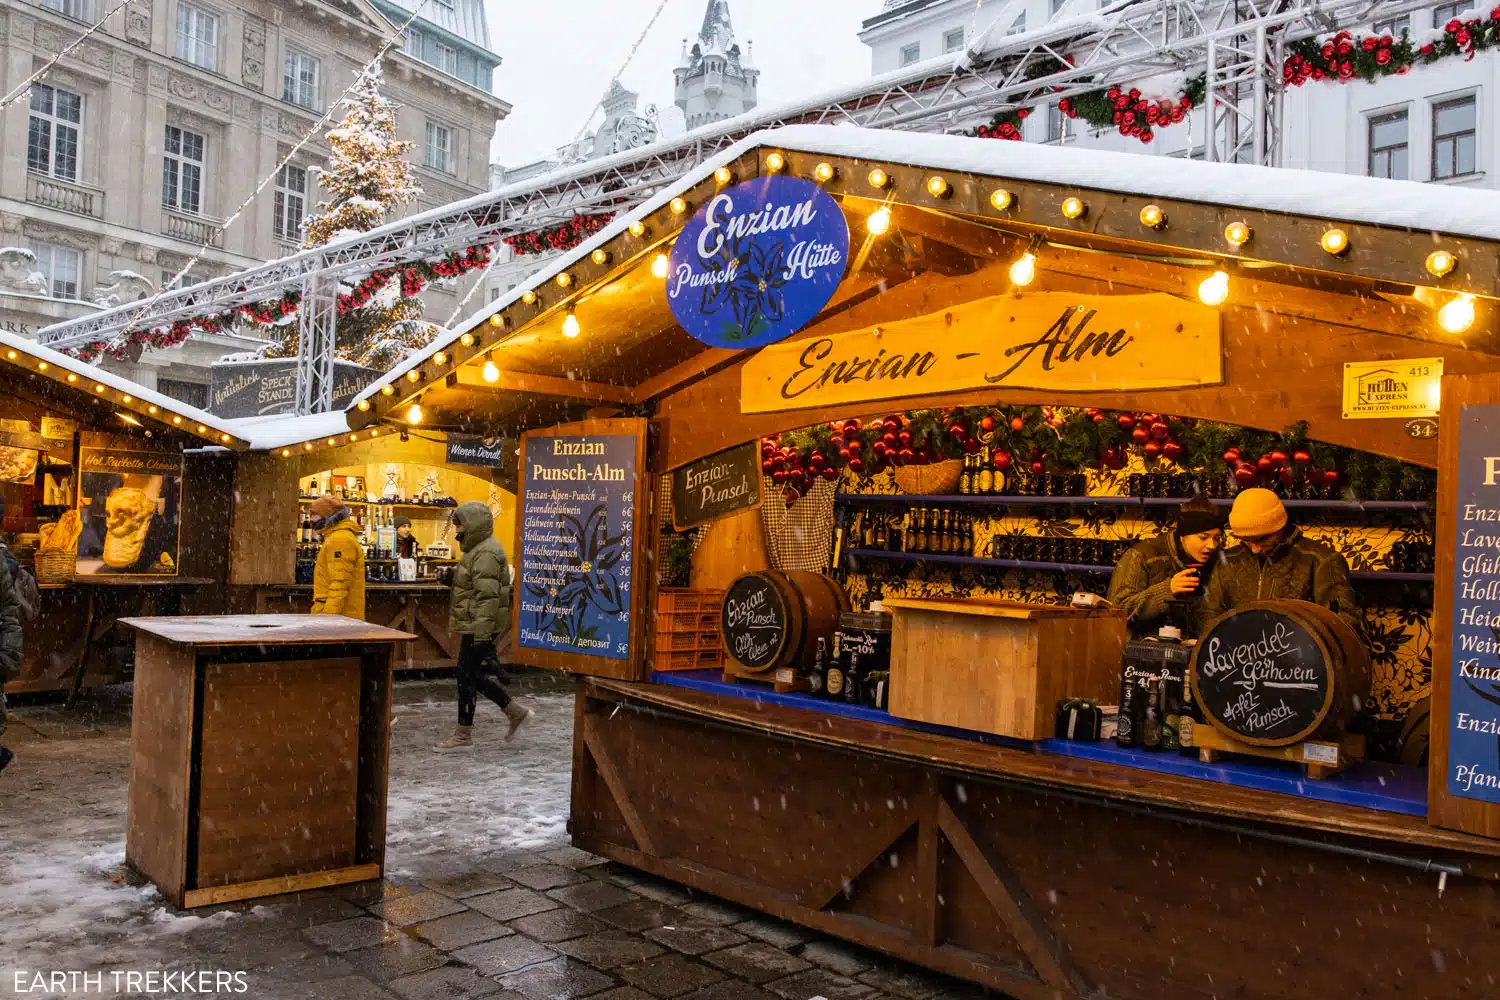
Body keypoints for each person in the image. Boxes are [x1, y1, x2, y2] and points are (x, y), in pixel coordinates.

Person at [434, 501, 532, 752]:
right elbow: (475, 582)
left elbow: (487, 597)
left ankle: (464, 734)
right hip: (476, 623)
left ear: (473, 524)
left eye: (459, 524)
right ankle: (513, 711)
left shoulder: (486, 551)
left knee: (466, 676)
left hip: (479, 624)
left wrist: (482, 635)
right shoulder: (478, 549)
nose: (457, 529)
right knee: (470, 675)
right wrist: (452, 577)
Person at [1197, 487, 1360, 635]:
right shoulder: (1227, 561)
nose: (1255, 548)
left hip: (1299, 663)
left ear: (1279, 526)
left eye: (1261, 539)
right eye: (1246, 539)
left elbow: (1342, 626)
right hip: (1236, 661)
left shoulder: (1322, 561)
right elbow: (1209, 616)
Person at [1107, 494, 1225, 636]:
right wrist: (1168, 589)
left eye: (1217, 538)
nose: (1212, 545)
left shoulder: (1217, 561)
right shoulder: (1141, 555)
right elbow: (1116, 612)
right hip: (1140, 652)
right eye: (1203, 537)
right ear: (1183, 535)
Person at [308, 495, 365, 619]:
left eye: (314, 514)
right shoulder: (336, 536)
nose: (311, 519)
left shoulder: (340, 539)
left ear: (328, 515)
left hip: (341, 618)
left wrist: (328, 618)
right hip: (343, 615)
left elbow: (339, 584)